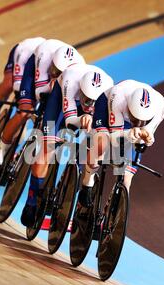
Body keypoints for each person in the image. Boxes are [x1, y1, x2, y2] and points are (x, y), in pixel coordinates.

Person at [21, 64, 114, 227]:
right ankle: (32, 201)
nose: (89, 104)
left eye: (93, 101)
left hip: (95, 108)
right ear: (81, 89)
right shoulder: (70, 81)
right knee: (47, 146)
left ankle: (75, 181)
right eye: (87, 99)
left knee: (96, 141)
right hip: (61, 100)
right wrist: (82, 119)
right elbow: (70, 121)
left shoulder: (109, 93)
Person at [0, 40, 85, 178]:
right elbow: (40, 92)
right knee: (25, 111)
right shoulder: (45, 56)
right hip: (36, 69)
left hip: (62, 86)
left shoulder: (77, 71)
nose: (55, 74)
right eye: (55, 70)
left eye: (59, 73)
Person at [78, 79, 164, 207]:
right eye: (134, 118)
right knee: (101, 143)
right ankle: (88, 182)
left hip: (127, 122)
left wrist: (146, 138)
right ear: (129, 107)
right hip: (107, 108)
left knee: (126, 178)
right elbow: (114, 138)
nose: (136, 123)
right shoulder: (118, 96)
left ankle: (113, 214)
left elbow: (145, 137)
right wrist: (128, 134)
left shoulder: (161, 107)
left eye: (141, 121)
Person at [0, 37, 46, 140]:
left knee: (30, 105)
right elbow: (17, 86)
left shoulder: (50, 66)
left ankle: (12, 136)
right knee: (9, 84)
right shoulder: (26, 50)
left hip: (37, 69)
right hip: (22, 56)